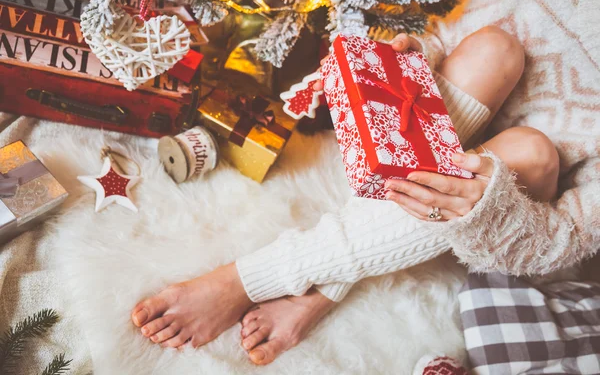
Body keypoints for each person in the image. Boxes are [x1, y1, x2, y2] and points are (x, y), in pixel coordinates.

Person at [129, 26, 586, 367]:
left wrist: (485, 206)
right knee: (495, 47)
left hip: (527, 214)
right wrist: (412, 59)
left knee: (533, 151)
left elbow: (567, 240)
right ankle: (334, 278)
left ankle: (260, 277)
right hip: (470, 123)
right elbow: (442, 37)